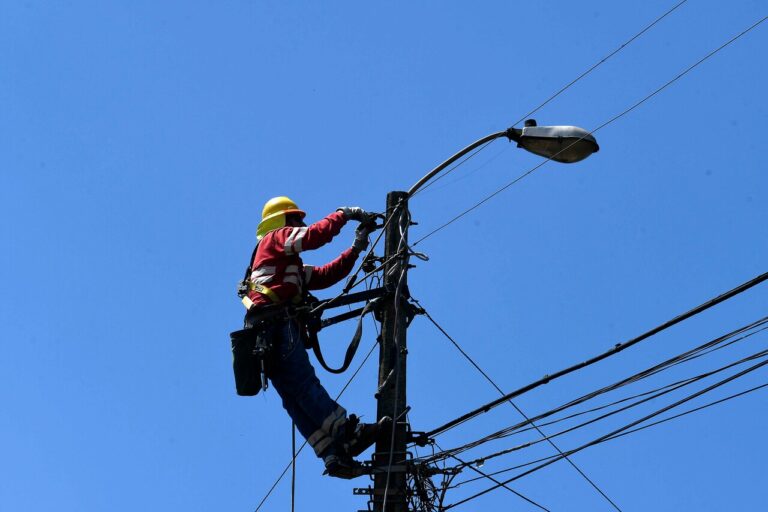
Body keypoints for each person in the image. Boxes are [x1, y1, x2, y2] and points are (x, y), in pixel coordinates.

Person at [242, 196, 390, 478]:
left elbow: (324, 275)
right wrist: (344, 214)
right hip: (276, 326)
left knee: (294, 398)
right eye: (296, 219)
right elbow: (314, 236)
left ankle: (333, 454)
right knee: (304, 385)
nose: (302, 224)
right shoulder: (276, 238)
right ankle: (350, 432)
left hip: (262, 336)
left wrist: (356, 247)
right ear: (283, 221)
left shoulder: (280, 263)